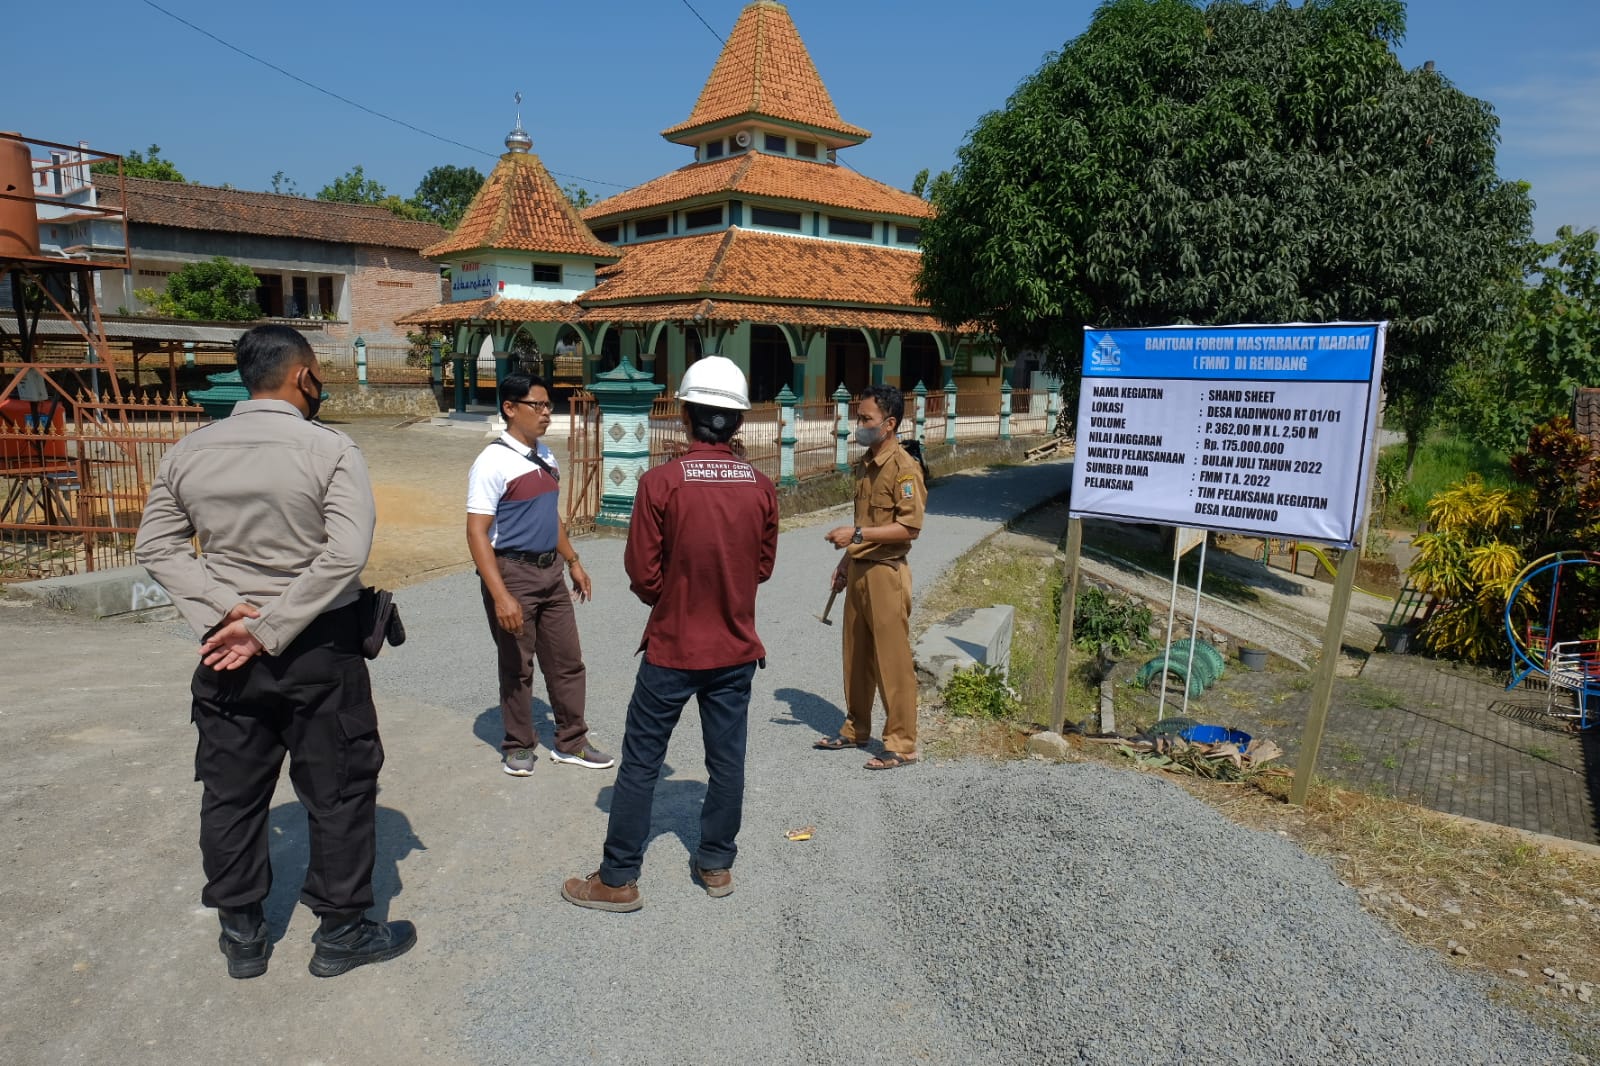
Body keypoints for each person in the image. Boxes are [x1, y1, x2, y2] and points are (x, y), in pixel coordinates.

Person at [134, 323, 415, 980]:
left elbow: (156, 546)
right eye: (318, 375)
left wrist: (226, 609)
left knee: (230, 793)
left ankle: (242, 934)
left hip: (226, 649)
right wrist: (269, 626)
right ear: (302, 376)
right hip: (318, 646)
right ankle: (341, 933)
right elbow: (345, 554)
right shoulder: (331, 450)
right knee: (340, 789)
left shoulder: (188, 451)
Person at [562, 356, 778, 911]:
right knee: (727, 763)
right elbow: (761, 567)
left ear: (684, 416)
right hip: (734, 649)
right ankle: (716, 864)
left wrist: (674, 595)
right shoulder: (761, 487)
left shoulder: (659, 483)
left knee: (641, 761)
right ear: (737, 421)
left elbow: (643, 574)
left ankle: (618, 878)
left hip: (673, 648)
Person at [466, 373, 610, 776]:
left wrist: (573, 561)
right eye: (537, 405)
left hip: (551, 572)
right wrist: (501, 596)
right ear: (510, 408)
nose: (546, 412)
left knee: (567, 661)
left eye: (549, 404)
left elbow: (551, 517)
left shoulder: (545, 455)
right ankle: (518, 744)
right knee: (518, 665)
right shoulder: (492, 462)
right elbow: (476, 533)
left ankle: (572, 741)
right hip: (512, 573)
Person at [816, 384, 927, 769]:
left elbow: (910, 528)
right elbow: (864, 520)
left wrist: (857, 536)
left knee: (891, 662)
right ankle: (855, 728)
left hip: (886, 572)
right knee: (856, 656)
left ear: (889, 423)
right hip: (860, 569)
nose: (858, 424)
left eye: (866, 419)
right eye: (858, 417)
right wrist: (846, 563)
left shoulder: (904, 468)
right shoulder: (865, 464)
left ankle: (901, 743)